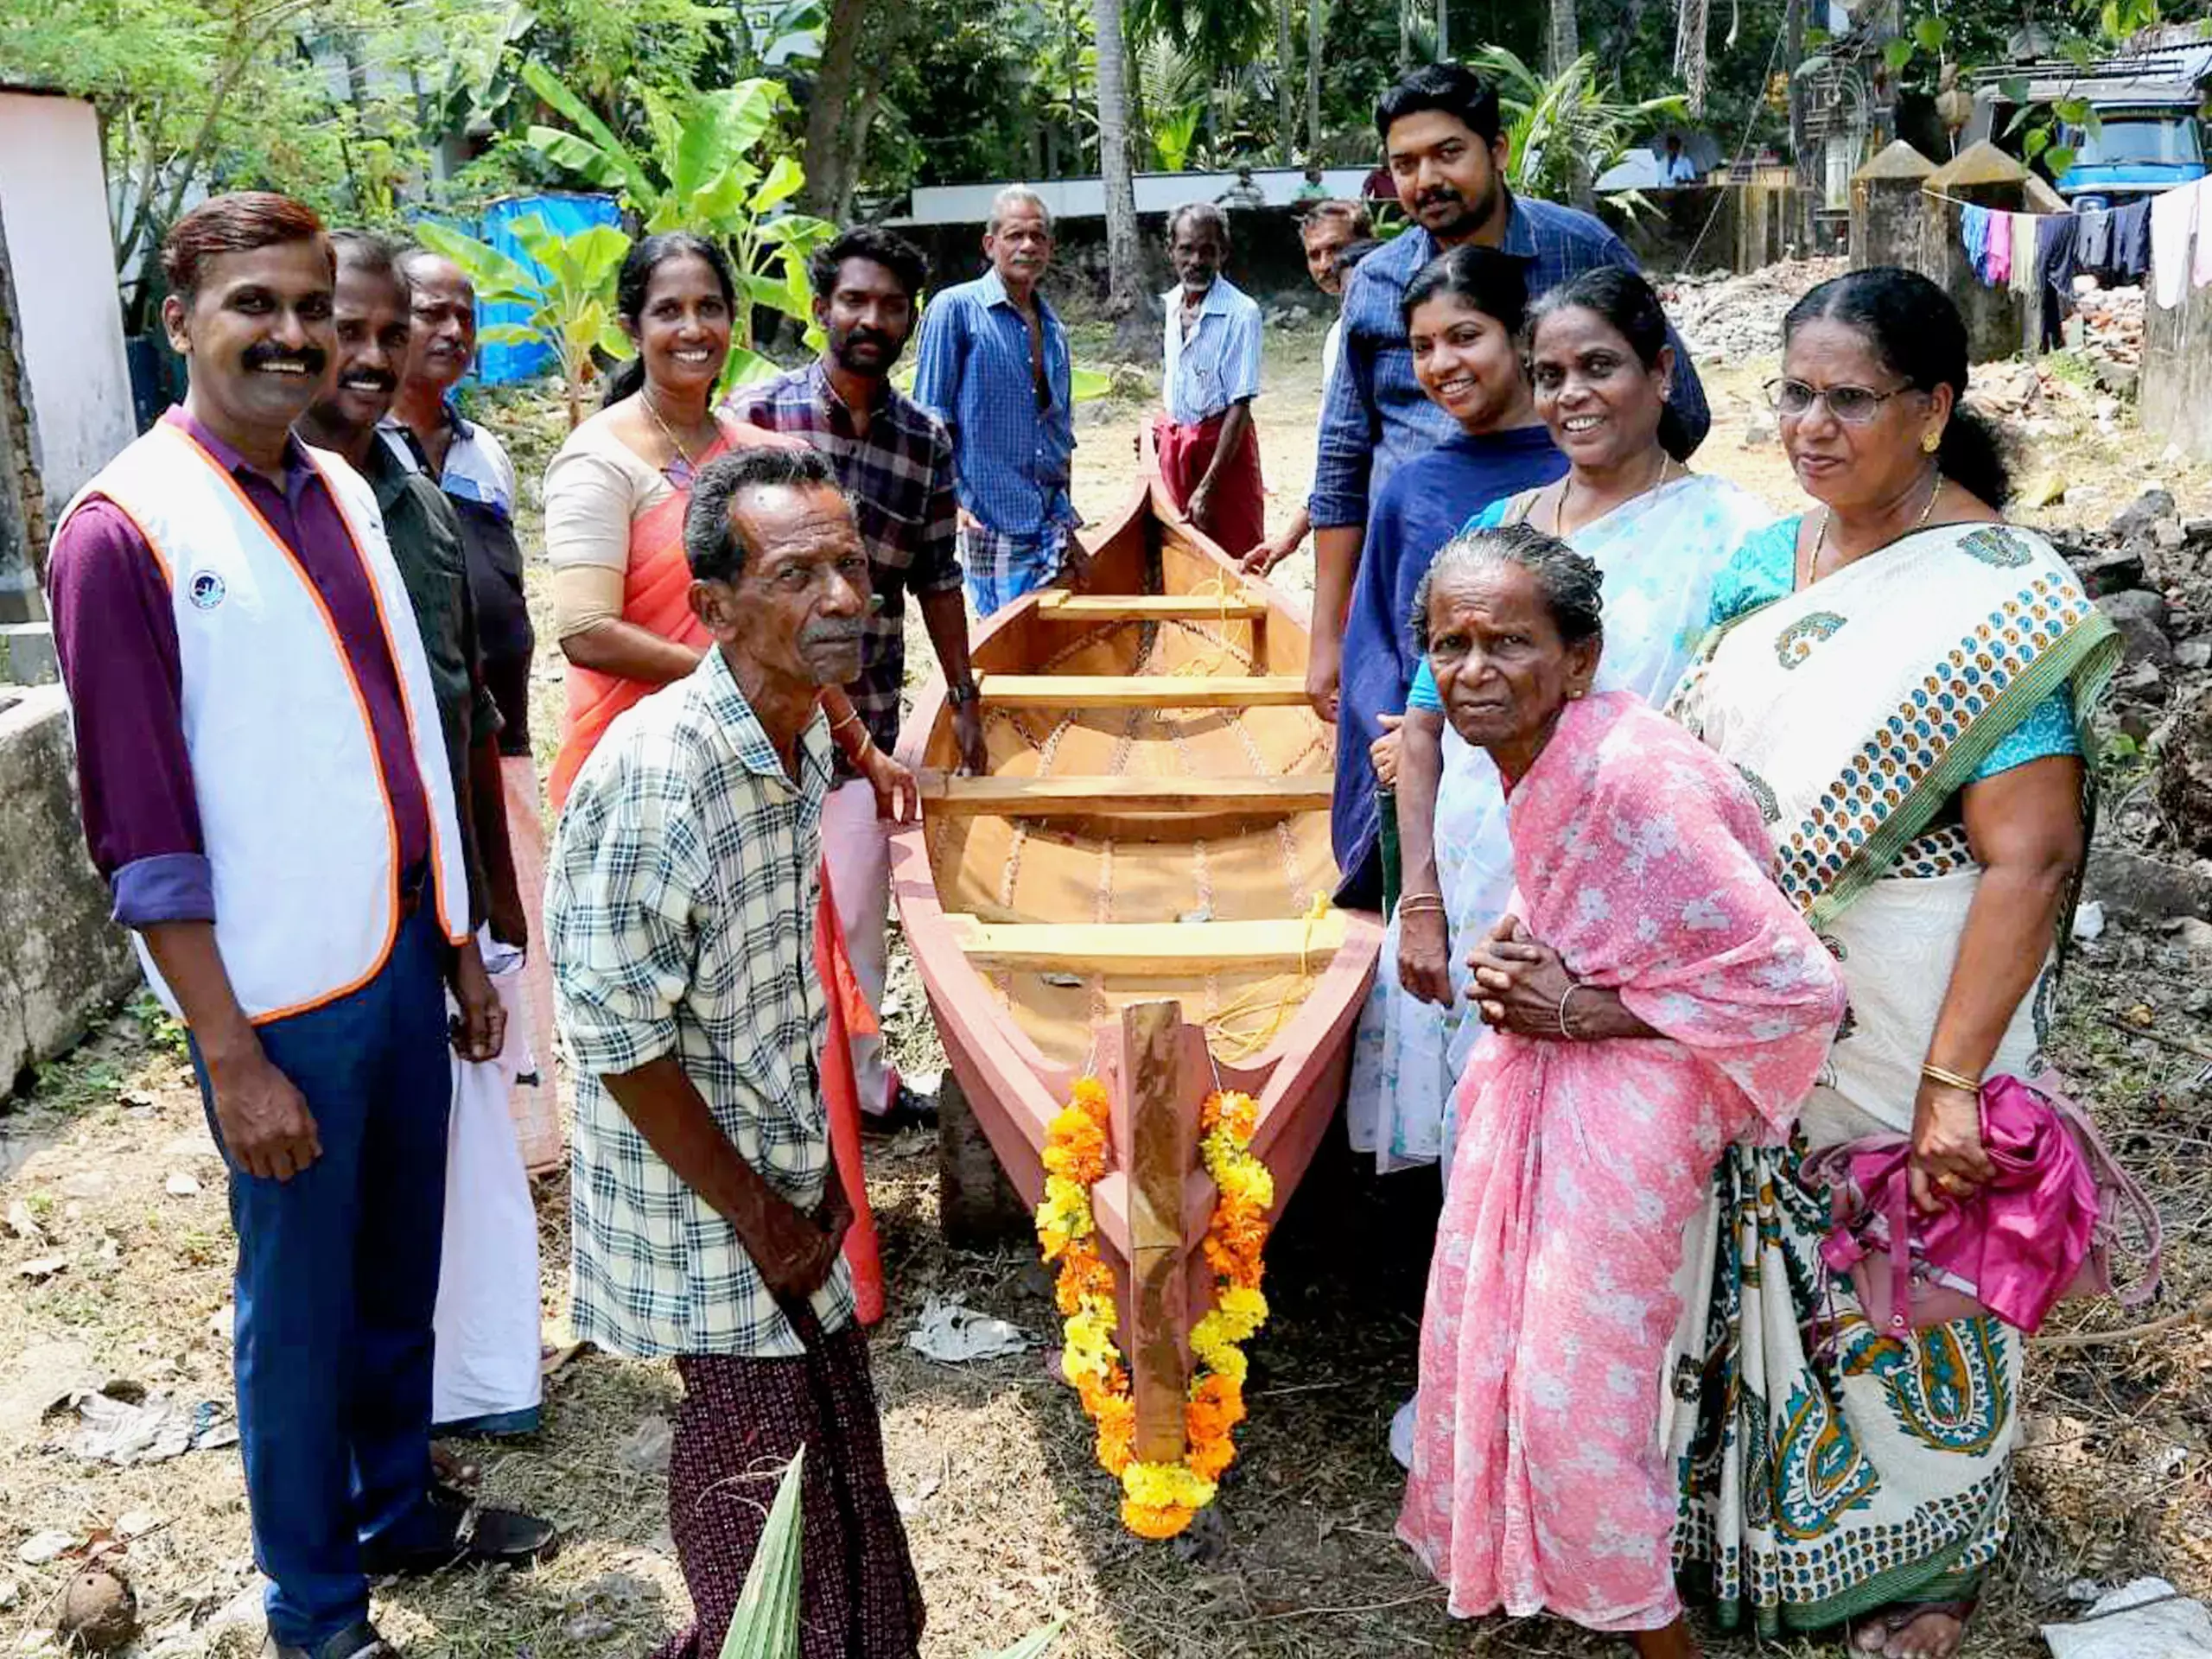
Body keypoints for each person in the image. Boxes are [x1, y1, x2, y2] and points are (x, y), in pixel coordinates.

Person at [46, 193, 552, 1659]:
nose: (293, 335)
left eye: (313, 309)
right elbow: (141, 839)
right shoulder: (122, 531)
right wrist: (233, 1054)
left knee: (396, 1267)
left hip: (397, 953)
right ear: (181, 323)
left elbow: (405, 722)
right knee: (300, 1312)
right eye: (257, 305)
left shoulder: (337, 484)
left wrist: (458, 937)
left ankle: (397, 1512)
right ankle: (317, 1615)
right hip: (278, 1001)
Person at [1665, 269, 2120, 1659]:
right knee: (1761, 1261)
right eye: (1793, 394)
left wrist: (1951, 1084)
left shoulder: (1998, 600)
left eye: (1848, 399)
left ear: (1932, 411)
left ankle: (1926, 1576)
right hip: (1759, 995)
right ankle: (1767, 1535)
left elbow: (2028, 858)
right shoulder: (1764, 561)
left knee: (1913, 1267)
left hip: (1916, 1008)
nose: (1811, 425)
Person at [1396, 524, 1846, 1658]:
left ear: (1581, 661)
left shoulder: (1634, 769)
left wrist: (1586, 1007)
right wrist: (1522, 950)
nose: (1475, 670)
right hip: (1547, 1069)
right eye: (1451, 645)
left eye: (1510, 642)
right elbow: (1610, 914)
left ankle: (1655, 1634)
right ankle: (1551, 1576)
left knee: (1570, 1394)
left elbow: (1796, 984)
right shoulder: (1546, 758)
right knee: (1484, 1333)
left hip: (1637, 1096)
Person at [545, 446, 926, 1659]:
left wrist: (803, 1172)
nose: (839, 600)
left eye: (851, 567)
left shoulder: (798, 730)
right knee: (758, 1472)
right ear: (711, 609)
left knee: (831, 1444)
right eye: (796, 574)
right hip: (703, 1188)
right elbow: (617, 1039)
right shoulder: (661, 776)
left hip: (776, 1152)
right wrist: (763, 1215)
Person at [1349, 265, 1772, 1175]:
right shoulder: (1501, 527)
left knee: (1601, 1147)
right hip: (1473, 878)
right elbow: (1424, 724)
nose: (1572, 395)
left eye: (1599, 366)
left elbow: (1743, 753)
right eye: (1550, 374)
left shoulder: (1737, 537)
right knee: (1483, 1142)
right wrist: (1419, 901)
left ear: (1660, 373)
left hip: (1624, 902)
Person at [296, 229, 544, 1443]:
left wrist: (480, 916)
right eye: (355, 327)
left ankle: (434, 1423)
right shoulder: (255, 503)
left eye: (391, 333)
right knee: (326, 1222)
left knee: (425, 1185)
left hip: (423, 901)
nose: (378, 353)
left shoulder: (419, 499)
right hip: (314, 929)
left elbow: (466, 716)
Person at [1306, 61, 1713, 720]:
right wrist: (1327, 637)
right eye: (1404, 164)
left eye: (1448, 154)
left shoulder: (1580, 251)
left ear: (1496, 152)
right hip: (1414, 589)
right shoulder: (1376, 284)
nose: (1427, 180)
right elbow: (1342, 463)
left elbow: (1680, 411)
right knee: (1401, 786)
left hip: (1562, 602)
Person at [723, 225, 982, 1130]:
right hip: (761, 721)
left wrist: (964, 691)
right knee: (762, 920)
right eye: (854, 301)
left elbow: (939, 574)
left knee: (860, 912)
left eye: (889, 306)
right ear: (821, 310)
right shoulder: (758, 420)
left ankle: (864, 1089)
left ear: (910, 319)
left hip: (865, 715)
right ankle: (775, 1100)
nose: (871, 319)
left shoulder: (925, 439)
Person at [383, 245, 562, 1173]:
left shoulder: (482, 449)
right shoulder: (364, 455)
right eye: (427, 313)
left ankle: (522, 1145)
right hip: (429, 755)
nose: (451, 331)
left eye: (465, 314)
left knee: (512, 941)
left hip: (507, 739)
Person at [1329, 245, 1566, 907]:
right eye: (1422, 347)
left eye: (1465, 337)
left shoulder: (1581, 473)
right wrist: (1398, 737)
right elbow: (1376, 648)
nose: (1442, 365)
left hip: (1565, 790)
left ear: (1520, 339)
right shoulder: (1412, 491)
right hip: (1434, 793)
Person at [912, 185, 1081, 613]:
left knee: (1051, 642)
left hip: (1048, 517)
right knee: (1005, 642)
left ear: (1050, 247)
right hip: (990, 515)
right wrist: (952, 506)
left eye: (1038, 237)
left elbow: (1058, 431)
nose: (1028, 246)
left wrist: (1067, 511)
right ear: (990, 245)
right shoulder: (955, 310)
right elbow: (930, 420)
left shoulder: (1053, 327)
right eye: (1015, 235)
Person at [1241, 200, 1373, 576]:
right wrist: (1290, 536)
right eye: (1314, 254)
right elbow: (1335, 450)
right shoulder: (1337, 337)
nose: (1325, 263)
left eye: (1336, 248)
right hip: (1347, 511)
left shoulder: (1402, 324)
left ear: (1365, 245)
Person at [1153, 202, 1266, 556]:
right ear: (1171, 251)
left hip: (1225, 455)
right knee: (1182, 552)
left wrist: (1208, 486)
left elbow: (1240, 406)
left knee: (1237, 552)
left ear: (1223, 254)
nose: (1196, 260)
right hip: (1180, 446)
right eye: (1186, 249)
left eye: (1208, 250)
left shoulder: (1242, 313)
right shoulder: (1171, 305)